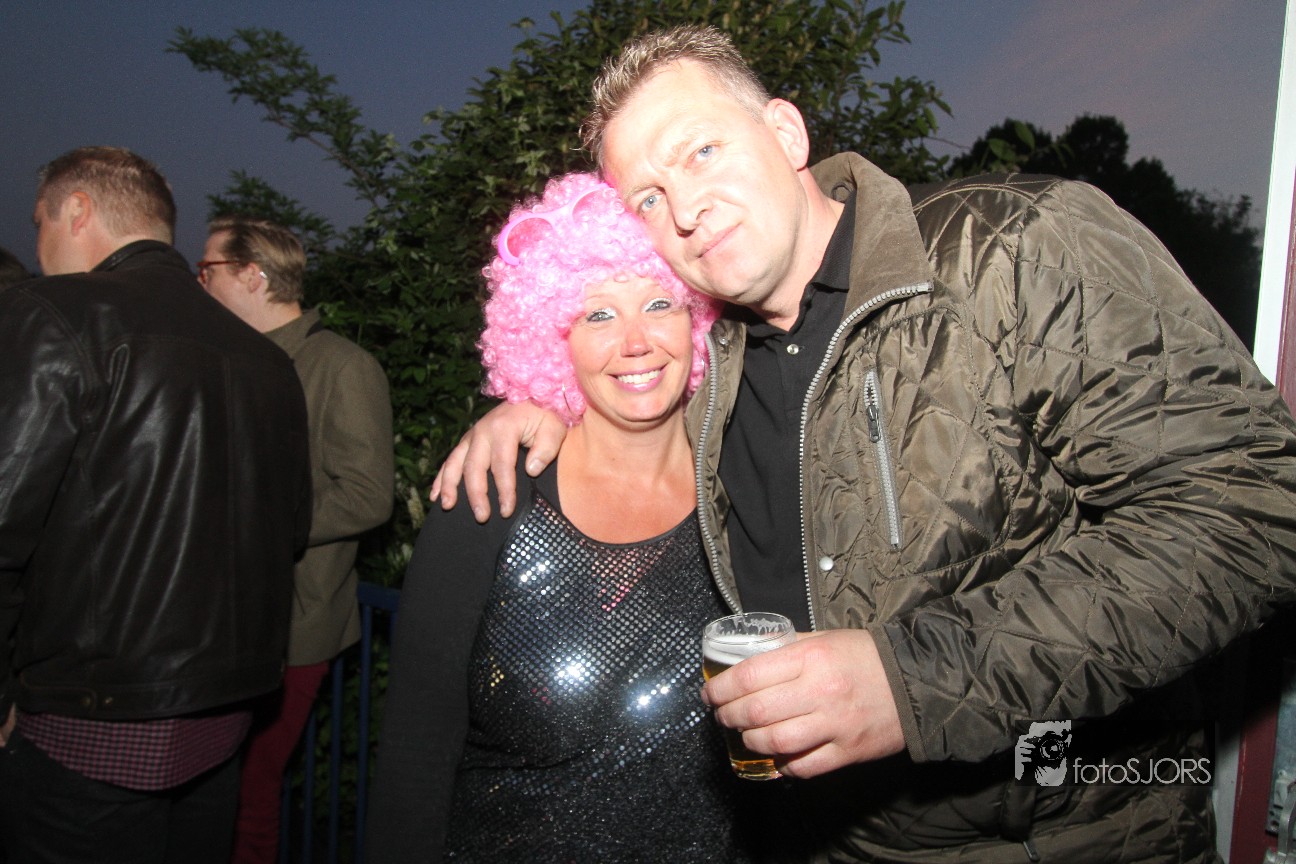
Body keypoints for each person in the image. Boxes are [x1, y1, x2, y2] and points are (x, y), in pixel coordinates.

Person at [431, 25, 1296, 863]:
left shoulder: (1013, 247)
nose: (686, 208)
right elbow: (622, 386)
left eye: (702, 152)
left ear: (785, 133)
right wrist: (540, 404)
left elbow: (1255, 506)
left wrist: (911, 681)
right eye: (648, 198)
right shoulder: (709, 372)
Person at [367, 172, 771, 863]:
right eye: (597, 315)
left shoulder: (748, 488)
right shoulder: (490, 494)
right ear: (553, 340)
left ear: (699, 319)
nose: (636, 342)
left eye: (659, 304)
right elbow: (415, 757)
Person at [0, 146, 311, 863]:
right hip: (222, 721)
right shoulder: (268, 360)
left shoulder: (50, 314)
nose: (38, 242)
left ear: (77, 210)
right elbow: (291, 532)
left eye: (39, 220)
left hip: (85, 719)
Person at [198, 216, 394, 864]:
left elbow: (367, 495)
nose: (199, 282)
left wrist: (255, 523)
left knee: (248, 793)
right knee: (213, 794)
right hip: (217, 620)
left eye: (208, 269)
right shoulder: (225, 359)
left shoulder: (341, 365)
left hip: (293, 626)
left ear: (252, 275)